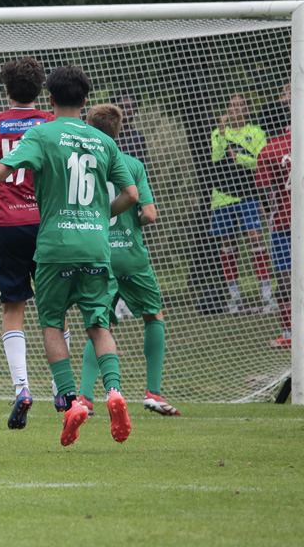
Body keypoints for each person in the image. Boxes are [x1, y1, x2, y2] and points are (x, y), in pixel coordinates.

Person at [0, 66, 138, 447]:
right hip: (96, 245)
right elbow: (131, 195)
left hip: (52, 243)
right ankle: (114, 391)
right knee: (98, 323)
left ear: (51, 98)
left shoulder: (42, 134)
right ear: (85, 101)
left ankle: (69, 399)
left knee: (50, 321)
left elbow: (0, 173)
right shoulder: (104, 140)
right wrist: (100, 216)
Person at [0, 58, 55, 430]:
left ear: (5, 90)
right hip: (48, 224)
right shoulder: (51, 122)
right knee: (55, 306)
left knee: (12, 309)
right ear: (40, 90)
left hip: (7, 225)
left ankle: (22, 388)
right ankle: (63, 388)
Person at [78, 104, 180, 416]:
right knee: (153, 315)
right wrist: (131, 223)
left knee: (99, 324)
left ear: (89, 127)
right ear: (118, 131)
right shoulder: (132, 164)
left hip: (98, 254)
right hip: (131, 256)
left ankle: (85, 398)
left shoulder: (83, 164)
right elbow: (149, 214)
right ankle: (153, 392)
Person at [254, 97, 304, 348]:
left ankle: (290, 333)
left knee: (284, 279)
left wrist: (270, 209)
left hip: (282, 222)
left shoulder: (267, 151)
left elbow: (264, 190)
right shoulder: (303, 142)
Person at [209, 93, 270, 314]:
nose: (235, 109)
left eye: (240, 105)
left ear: (246, 110)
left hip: (248, 195)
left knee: (255, 237)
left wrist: (239, 157)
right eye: (232, 105)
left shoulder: (256, 132)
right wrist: (222, 132)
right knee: (228, 244)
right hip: (223, 197)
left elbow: (261, 162)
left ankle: (267, 295)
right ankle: (234, 297)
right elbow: (216, 157)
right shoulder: (217, 133)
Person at [115, 93, 148, 166]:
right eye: (123, 107)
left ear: (136, 111)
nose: (127, 111)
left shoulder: (139, 137)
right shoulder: (110, 136)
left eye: (131, 107)